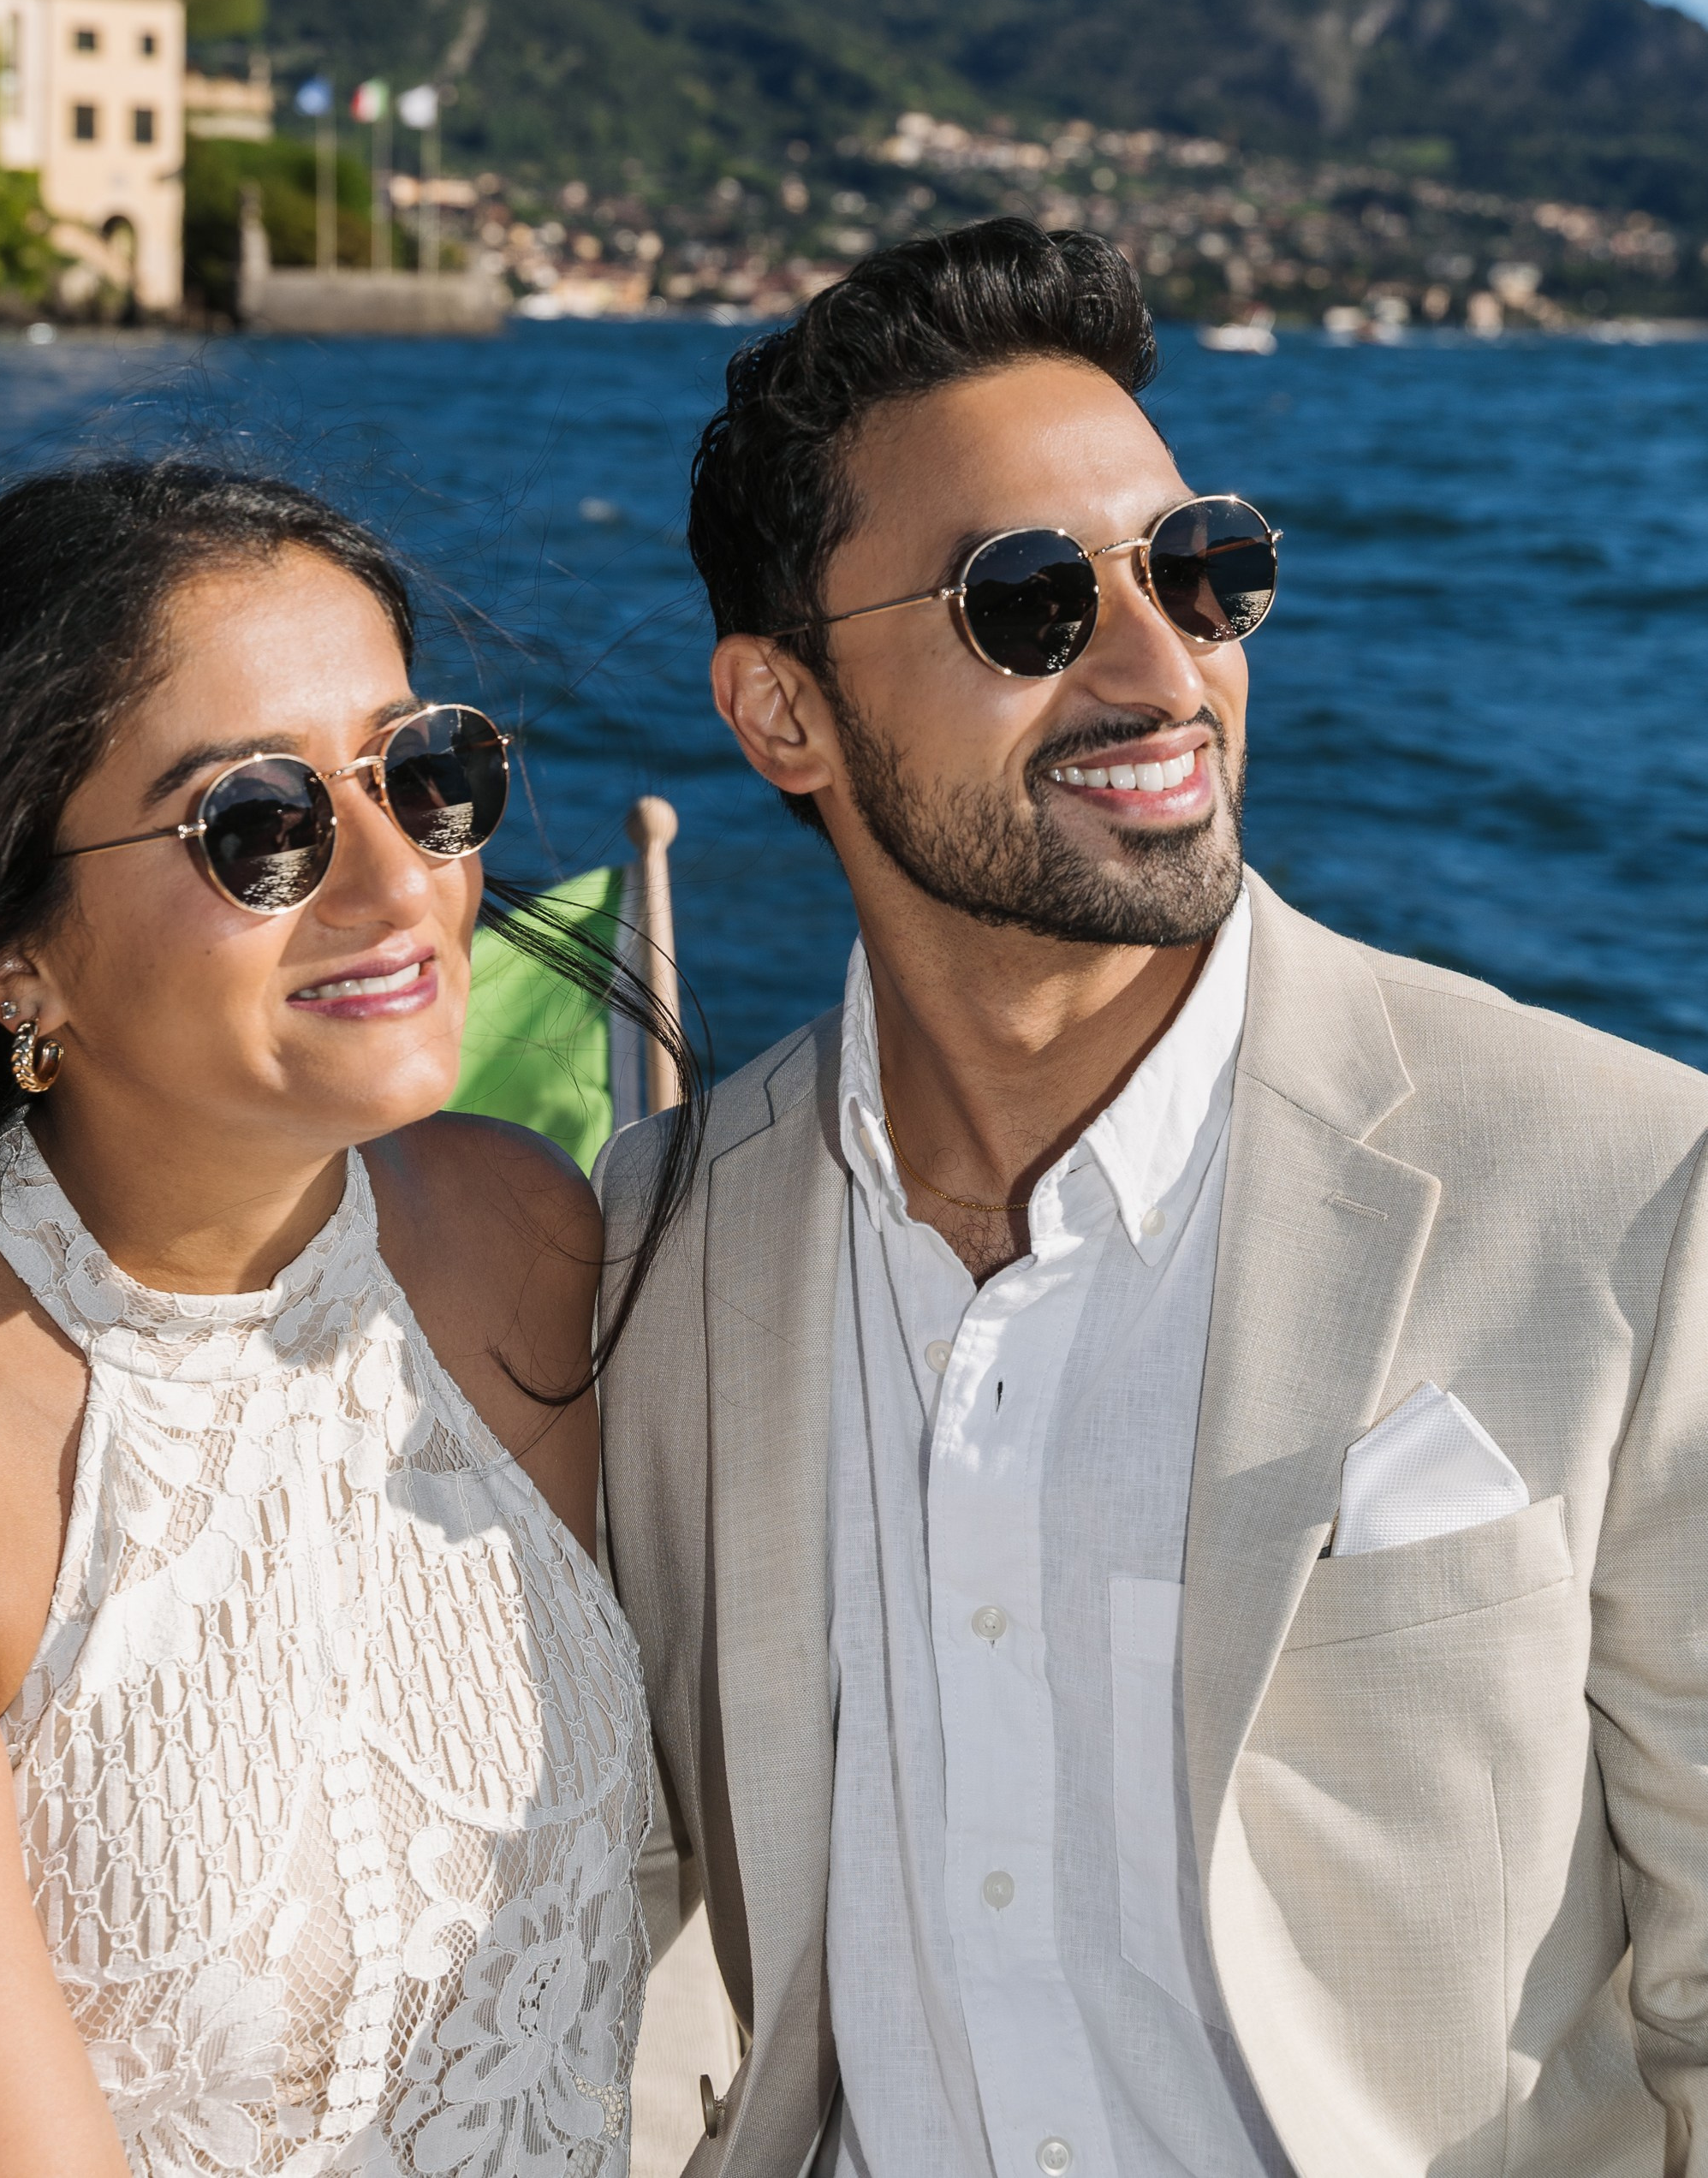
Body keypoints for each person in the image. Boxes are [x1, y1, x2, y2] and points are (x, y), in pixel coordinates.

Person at [598, 217, 1708, 2178]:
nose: (1158, 666)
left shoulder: (1626, 1195)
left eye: (1201, 572)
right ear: (779, 718)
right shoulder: (658, 1255)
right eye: (1024, 602)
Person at [0, 460, 663, 2176]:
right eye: (259, 825)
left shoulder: (517, 1235)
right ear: (11, 954)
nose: (396, 881)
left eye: (423, 774)